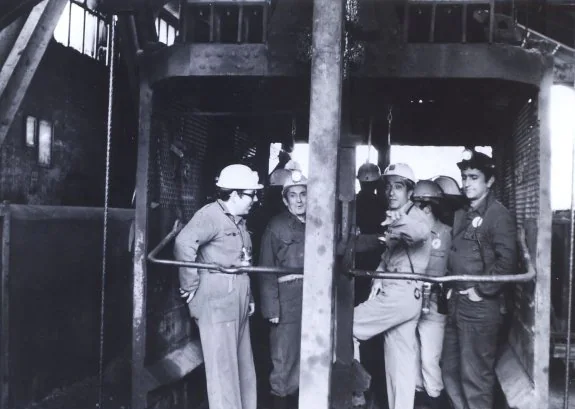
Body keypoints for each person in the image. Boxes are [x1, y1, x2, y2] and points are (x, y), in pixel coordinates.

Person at [174, 163, 263, 409]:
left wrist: (250, 296)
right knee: (223, 369)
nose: (254, 199)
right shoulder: (210, 215)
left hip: (239, 297)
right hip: (218, 299)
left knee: (244, 365)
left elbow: (242, 260)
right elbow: (183, 243)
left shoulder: (239, 220)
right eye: (250, 194)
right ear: (233, 194)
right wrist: (190, 284)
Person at [442, 150, 517, 409]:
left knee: (475, 379)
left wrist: (482, 290)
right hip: (457, 303)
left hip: (480, 308)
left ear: (490, 181)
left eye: (474, 177)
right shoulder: (463, 213)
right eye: (464, 177)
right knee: (450, 371)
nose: (466, 183)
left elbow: (507, 262)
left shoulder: (498, 215)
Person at [352, 163, 432, 409]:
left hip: (400, 294)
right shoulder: (399, 215)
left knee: (343, 325)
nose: (391, 192)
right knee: (401, 364)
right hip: (405, 294)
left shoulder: (415, 216)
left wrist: (397, 222)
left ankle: (356, 391)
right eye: (388, 187)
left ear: (410, 191)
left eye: (398, 187)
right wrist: (378, 276)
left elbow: (419, 233)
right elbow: (390, 255)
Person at [258, 170, 307, 409]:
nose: (299, 200)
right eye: (293, 195)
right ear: (285, 200)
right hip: (287, 300)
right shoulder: (276, 226)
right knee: (283, 359)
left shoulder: (319, 223)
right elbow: (266, 268)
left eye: (303, 195)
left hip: (311, 296)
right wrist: (271, 308)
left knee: (304, 356)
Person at [411, 180, 452, 409]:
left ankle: (436, 400)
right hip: (410, 301)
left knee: (430, 359)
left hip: (435, 304)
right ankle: (418, 400)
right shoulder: (410, 233)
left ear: (427, 207)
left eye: (416, 205)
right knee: (413, 357)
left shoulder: (447, 234)